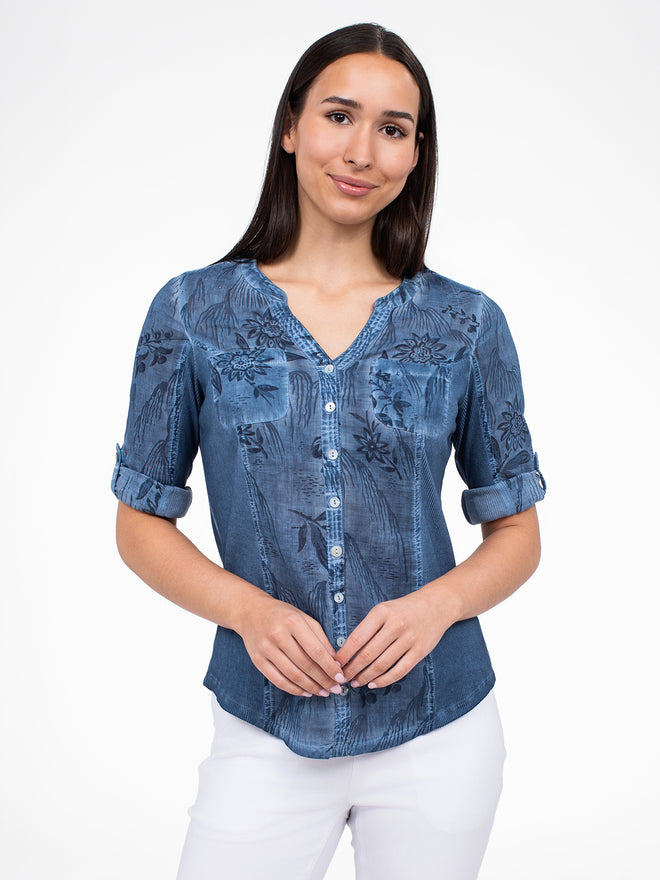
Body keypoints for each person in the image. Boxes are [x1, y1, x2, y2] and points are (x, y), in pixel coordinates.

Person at [111, 21, 546, 880]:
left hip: (440, 730)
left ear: (416, 154)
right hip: (264, 727)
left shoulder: (466, 323)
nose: (361, 152)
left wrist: (435, 608)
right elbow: (139, 523)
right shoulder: (193, 312)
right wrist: (248, 612)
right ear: (290, 127)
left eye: (393, 129)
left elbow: (518, 535)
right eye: (339, 116)